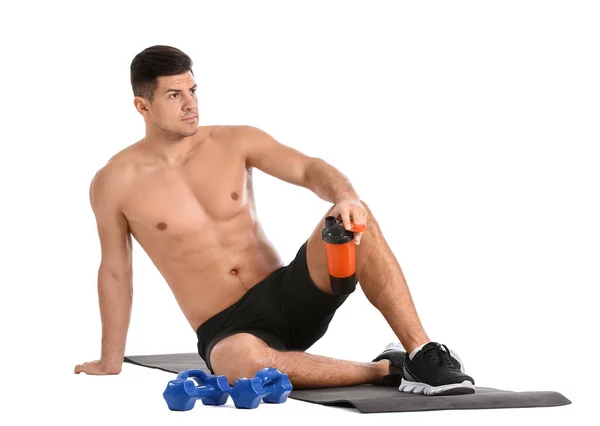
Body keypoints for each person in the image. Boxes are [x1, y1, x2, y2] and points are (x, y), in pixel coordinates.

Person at [74, 45, 476, 396]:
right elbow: (115, 271)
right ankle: (384, 369)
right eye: (174, 95)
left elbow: (307, 169)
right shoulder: (114, 182)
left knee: (356, 219)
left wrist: (345, 196)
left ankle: (422, 352)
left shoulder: (235, 140)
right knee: (238, 363)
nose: (190, 104)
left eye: (193, 90)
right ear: (142, 106)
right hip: (229, 328)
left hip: (290, 293)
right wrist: (111, 360)